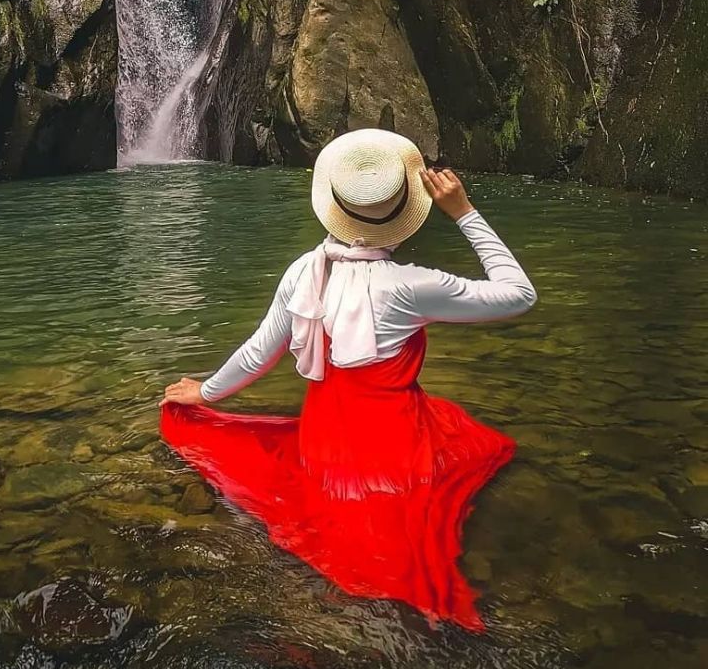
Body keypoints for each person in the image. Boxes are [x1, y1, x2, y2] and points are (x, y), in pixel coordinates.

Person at [159, 129, 536, 631]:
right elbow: (519, 294)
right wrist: (465, 212)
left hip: (324, 442)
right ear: (407, 214)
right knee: (466, 453)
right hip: (396, 452)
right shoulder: (413, 285)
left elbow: (257, 355)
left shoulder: (304, 272)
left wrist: (203, 392)